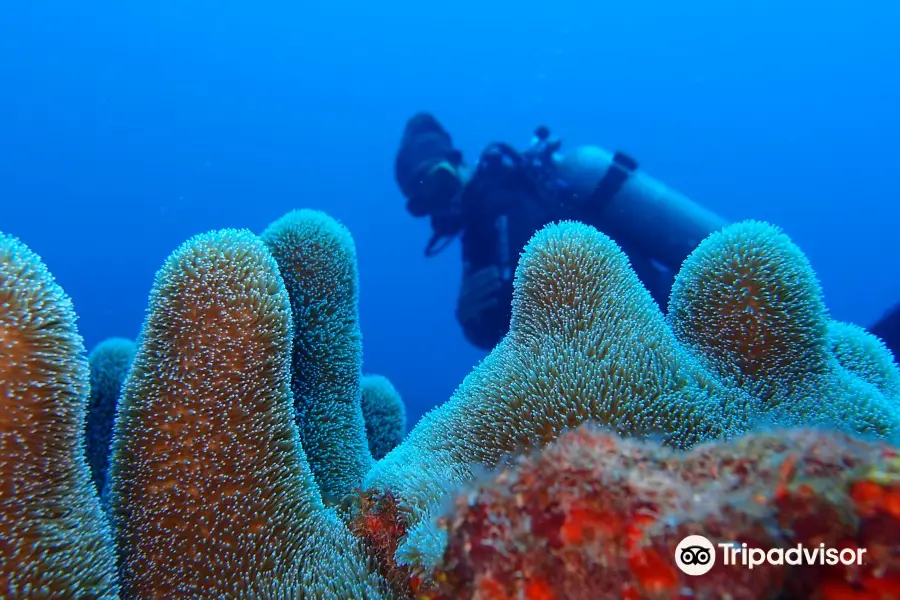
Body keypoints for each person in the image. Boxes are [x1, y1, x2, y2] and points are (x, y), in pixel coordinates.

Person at [394, 112, 900, 357]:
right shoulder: (480, 232)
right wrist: (470, 320)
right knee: (814, 371)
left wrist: (477, 321)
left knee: (812, 380)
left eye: (437, 181)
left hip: (658, 331)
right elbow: (514, 329)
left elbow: (536, 304)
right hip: (656, 331)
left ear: (457, 161)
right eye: (422, 199)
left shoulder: (501, 200)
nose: (438, 202)